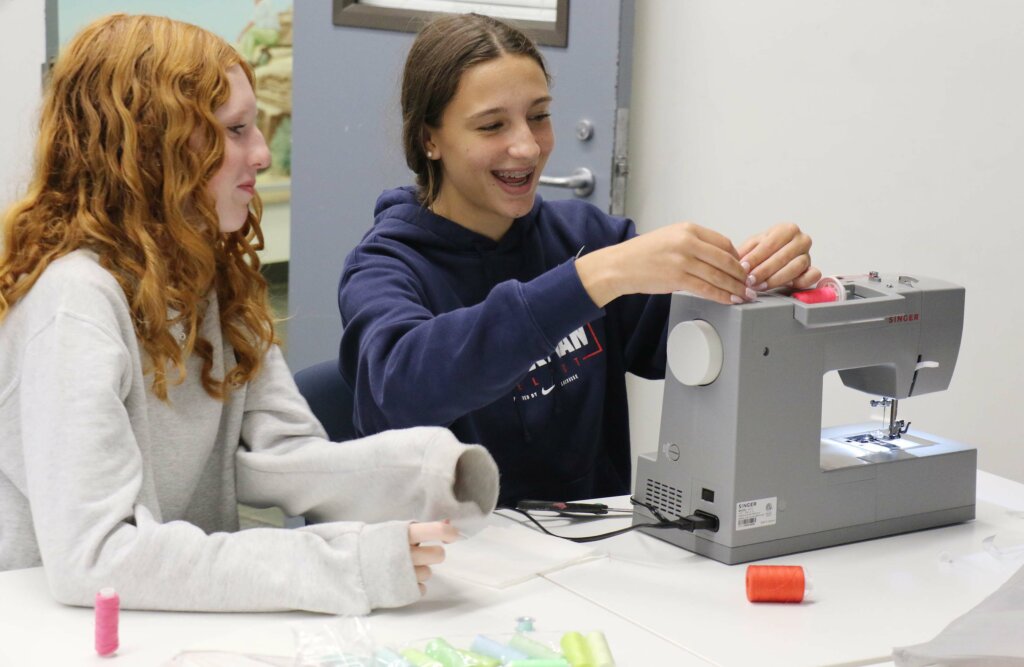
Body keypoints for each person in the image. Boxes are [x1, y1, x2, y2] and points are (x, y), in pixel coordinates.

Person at [0, 13, 498, 615]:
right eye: (235, 130)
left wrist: (427, 472)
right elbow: (97, 558)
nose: (262, 155)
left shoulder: (208, 276)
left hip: (169, 620)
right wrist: (341, 567)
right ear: (150, 150)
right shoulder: (74, 303)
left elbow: (278, 458)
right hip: (61, 633)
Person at [338, 13, 821, 507]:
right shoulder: (384, 267)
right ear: (429, 139)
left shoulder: (587, 236)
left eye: (539, 116)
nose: (527, 146)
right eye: (492, 125)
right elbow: (398, 391)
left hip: (594, 561)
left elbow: (700, 345)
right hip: (451, 561)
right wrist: (592, 278)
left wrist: (766, 287)